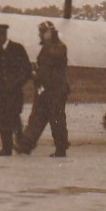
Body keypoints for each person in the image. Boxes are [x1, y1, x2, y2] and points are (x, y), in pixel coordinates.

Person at [17, 20, 70, 156]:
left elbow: (49, 65)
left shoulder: (59, 47)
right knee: (36, 117)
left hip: (56, 90)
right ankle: (26, 145)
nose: (40, 35)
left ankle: (61, 148)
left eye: (42, 32)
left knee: (56, 119)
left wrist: (36, 73)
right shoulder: (48, 47)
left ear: (50, 32)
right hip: (44, 89)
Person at [0, 23, 33, 156]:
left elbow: (26, 69)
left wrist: (16, 83)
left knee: (14, 118)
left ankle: (21, 144)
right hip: (0, 93)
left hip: (14, 92)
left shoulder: (17, 49)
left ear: (4, 35)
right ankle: (6, 148)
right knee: (1, 118)